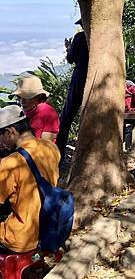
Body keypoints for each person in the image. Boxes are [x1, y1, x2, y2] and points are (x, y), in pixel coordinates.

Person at [0, 105, 60, 252]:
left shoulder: (11, 162)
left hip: (20, 238)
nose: (0, 144)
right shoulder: (51, 148)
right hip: (47, 227)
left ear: (10, 132)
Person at [57, 18, 88, 159]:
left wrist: (69, 48)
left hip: (79, 78)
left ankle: (59, 155)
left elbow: (70, 58)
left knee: (66, 119)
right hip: (95, 78)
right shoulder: (99, 39)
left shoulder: (80, 37)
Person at [10, 75, 59, 142]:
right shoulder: (27, 110)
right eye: (19, 97)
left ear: (38, 97)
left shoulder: (49, 114)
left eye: (27, 98)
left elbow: (44, 145)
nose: (22, 101)